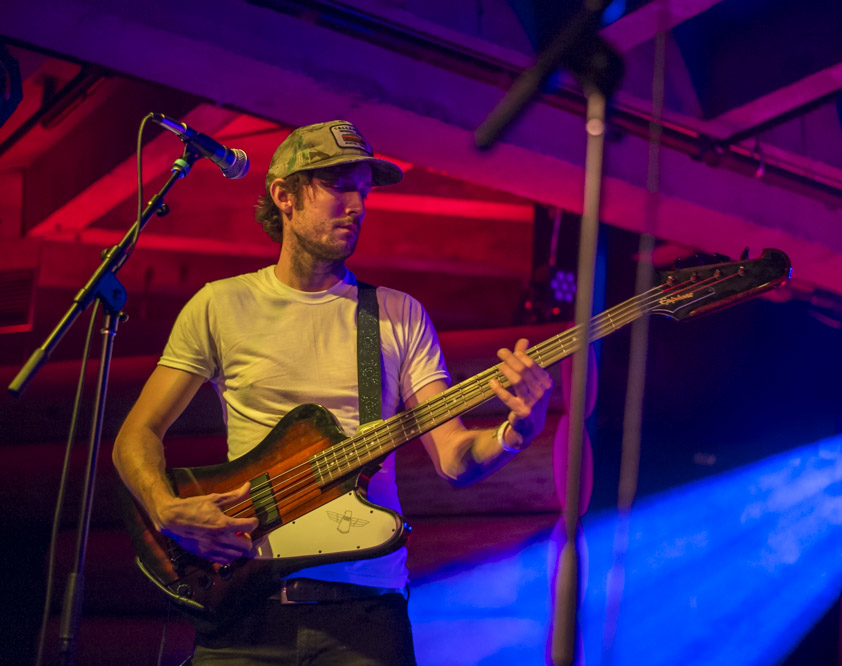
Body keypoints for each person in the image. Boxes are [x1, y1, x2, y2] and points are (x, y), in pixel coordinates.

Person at [112, 120, 554, 664]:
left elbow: (455, 459)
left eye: (363, 191)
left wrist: (516, 432)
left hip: (365, 611)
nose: (357, 205)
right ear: (284, 195)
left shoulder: (395, 315)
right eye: (339, 186)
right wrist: (164, 509)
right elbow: (136, 433)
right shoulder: (219, 305)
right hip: (242, 603)